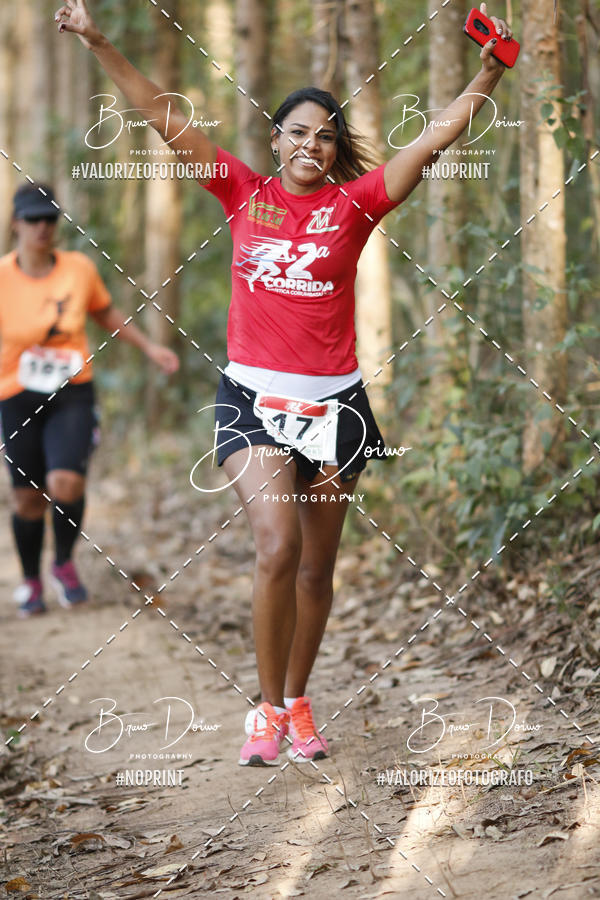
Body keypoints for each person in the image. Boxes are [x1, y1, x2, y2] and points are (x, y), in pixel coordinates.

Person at [55, 0, 513, 764]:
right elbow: (164, 119)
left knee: (315, 567)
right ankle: (265, 710)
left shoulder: (355, 204)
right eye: (298, 131)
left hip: (336, 405)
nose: (312, 144)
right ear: (276, 140)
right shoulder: (242, 191)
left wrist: (490, 74)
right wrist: (100, 41)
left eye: (326, 135)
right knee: (276, 543)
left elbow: (434, 139)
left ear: (336, 151)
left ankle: (298, 700)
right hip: (254, 399)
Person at [0, 182, 179, 618]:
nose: (43, 228)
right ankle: (30, 580)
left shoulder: (78, 268)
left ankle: (63, 562)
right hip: (16, 394)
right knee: (27, 498)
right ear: (16, 224)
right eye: (33, 219)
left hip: (72, 391)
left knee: (67, 484)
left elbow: (105, 313)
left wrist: (150, 347)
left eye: (50, 219)